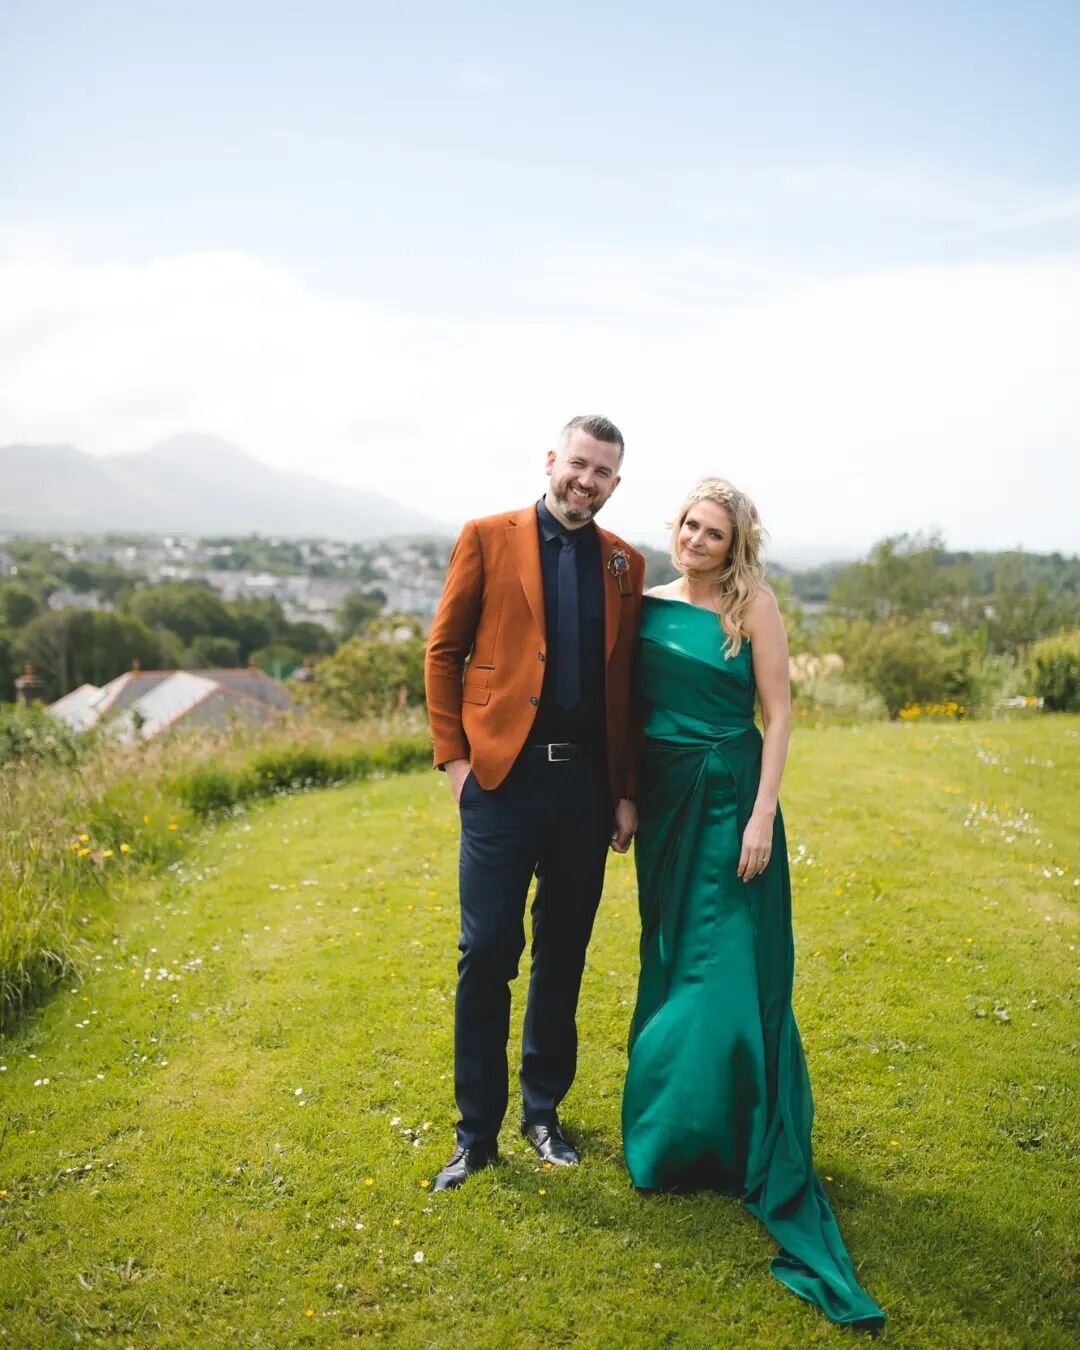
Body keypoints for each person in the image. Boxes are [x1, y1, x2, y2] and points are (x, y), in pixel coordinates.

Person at [622, 477, 885, 1330]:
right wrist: (625, 797)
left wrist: (763, 814)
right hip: (664, 802)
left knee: (725, 972)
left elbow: (779, 712)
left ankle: (723, 1140)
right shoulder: (646, 604)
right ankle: (678, 1133)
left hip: (733, 798)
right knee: (669, 963)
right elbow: (629, 713)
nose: (699, 540)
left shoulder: (753, 606)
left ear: (737, 545)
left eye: (716, 532)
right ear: (678, 528)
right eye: (692, 526)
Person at [425, 415, 645, 1191]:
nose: (586, 481)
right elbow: (444, 651)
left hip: (585, 790)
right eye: (578, 464)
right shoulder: (486, 536)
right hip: (500, 782)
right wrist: (455, 760)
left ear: (616, 483)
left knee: (564, 953)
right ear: (553, 460)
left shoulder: (626, 563)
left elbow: (626, 685)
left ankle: (543, 1114)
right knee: (486, 953)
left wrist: (625, 793)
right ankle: (475, 1134)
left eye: (603, 473)